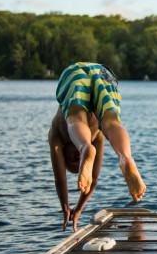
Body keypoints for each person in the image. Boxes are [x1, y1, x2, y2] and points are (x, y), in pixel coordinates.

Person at [49, 62, 146, 231]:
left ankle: (85, 146)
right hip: (101, 72)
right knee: (111, 123)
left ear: (64, 152)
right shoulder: (97, 137)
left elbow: (60, 179)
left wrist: (66, 206)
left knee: (76, 118)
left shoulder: (56, 135)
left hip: (74, 73)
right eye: (80, 158)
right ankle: (125, 157)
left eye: (74, 158)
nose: (78, 158)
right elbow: (92, 180)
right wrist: (78, 208)